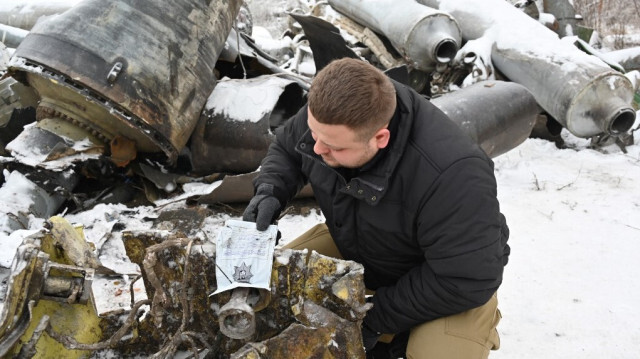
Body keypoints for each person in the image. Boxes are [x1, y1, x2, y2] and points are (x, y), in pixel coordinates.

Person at [242, 57, 509, 358]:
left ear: (380, 138)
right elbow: (289, 149)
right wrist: (270, 192)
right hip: (361, 239)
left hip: (445, 280)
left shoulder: (454, 174)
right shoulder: (331, 115)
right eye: (314, 134)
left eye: (334, 147)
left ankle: (423, 334)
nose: (316, 148)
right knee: (270, 286)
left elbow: (465, 278)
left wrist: (373, 320)